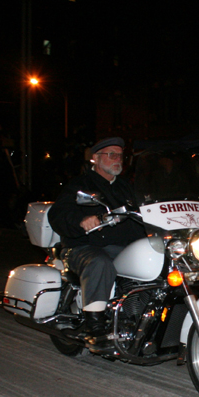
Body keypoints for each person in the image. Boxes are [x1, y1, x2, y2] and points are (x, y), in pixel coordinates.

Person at [48, 137, 144, 345]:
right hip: (83, 247)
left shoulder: (126, 188)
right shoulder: (79, 185)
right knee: (99, 262)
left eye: (120, 155)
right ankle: (95, 326)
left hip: (122, 248)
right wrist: (81, 220)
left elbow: (145, 210)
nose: (118, 159)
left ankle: (140, 317)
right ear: (95, 158)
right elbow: (58, 213)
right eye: (112, 155)